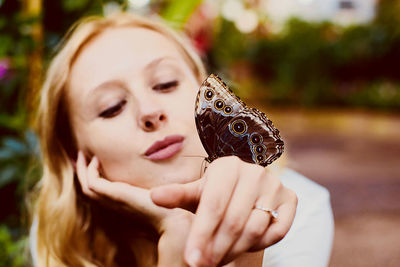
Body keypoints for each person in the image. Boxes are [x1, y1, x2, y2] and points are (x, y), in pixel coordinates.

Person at [29, 12, 333, 267]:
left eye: (166, 83)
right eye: (112, 107)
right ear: (75, 154)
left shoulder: (299, 211)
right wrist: (175, 230)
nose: (150, 111)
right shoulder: (58, 238)